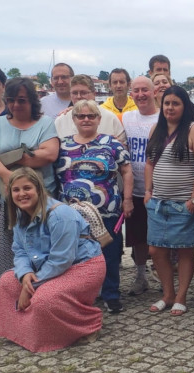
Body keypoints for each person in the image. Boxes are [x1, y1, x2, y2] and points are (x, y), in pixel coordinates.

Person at [0, 168, 105, 352]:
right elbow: (20, 251)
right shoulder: (21, 214)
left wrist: (29, 289)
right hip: (48, 267)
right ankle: (28, 331)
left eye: (27, 188)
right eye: (16, 190)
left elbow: (61, 260)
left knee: (44, 299)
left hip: (82, 267)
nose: (21, 194)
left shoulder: (60, 215)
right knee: (6, 282)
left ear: (38, 189)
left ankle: (88, 323)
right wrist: (25, 275)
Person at [0, 77, 60, 316]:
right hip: (4, 196)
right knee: (5, 246)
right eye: (11, 100)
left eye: (22, 100)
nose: (15, 105)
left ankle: (42, 291)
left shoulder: (46, 123)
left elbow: (50, 154)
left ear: (32, 101)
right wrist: (6, 175)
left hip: (41, 196)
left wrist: (14, 157)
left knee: (41, 244)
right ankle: (3, 296)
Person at [56, 99, 133, 313]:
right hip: (70, 213)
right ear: (74, 120)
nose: (86, 119)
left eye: (91, 115)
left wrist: (127, 200)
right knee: (74, 254)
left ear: (99, 119)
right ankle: (78, 294)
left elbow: (126, 171)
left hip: (106, 210)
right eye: (81, 116)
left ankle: (111, 294)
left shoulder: (111, 143)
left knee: (109, 253)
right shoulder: (62, 144)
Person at [144, 85, 194, 316]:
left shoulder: (193, 130)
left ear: (184, 106)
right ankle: (167, 294)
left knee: (183, 250)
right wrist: (148, 192)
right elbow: (150, 163)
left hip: (183, 203)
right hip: (158, 202)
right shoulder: (155, 130)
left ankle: (181, 296)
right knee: (156, 250)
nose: (170, 108)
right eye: (167, 103)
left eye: (176, 103)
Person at [122, 76, 160, 296]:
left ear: (154, 91)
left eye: (145, 90)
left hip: (159, 188)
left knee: (160, 236)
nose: (140, 95)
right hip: (134, 187)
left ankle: (163, 274)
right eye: (135, 91)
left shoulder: (163, 118)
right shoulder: (126, 118)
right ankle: (141, 275)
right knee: (137, 236)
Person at [54, 75, 127, 143]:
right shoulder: (60, 121)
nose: (79, 97)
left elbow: (123, 147)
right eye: (75, 93)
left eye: (83, 93)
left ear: (94, 94)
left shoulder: (110, 118)